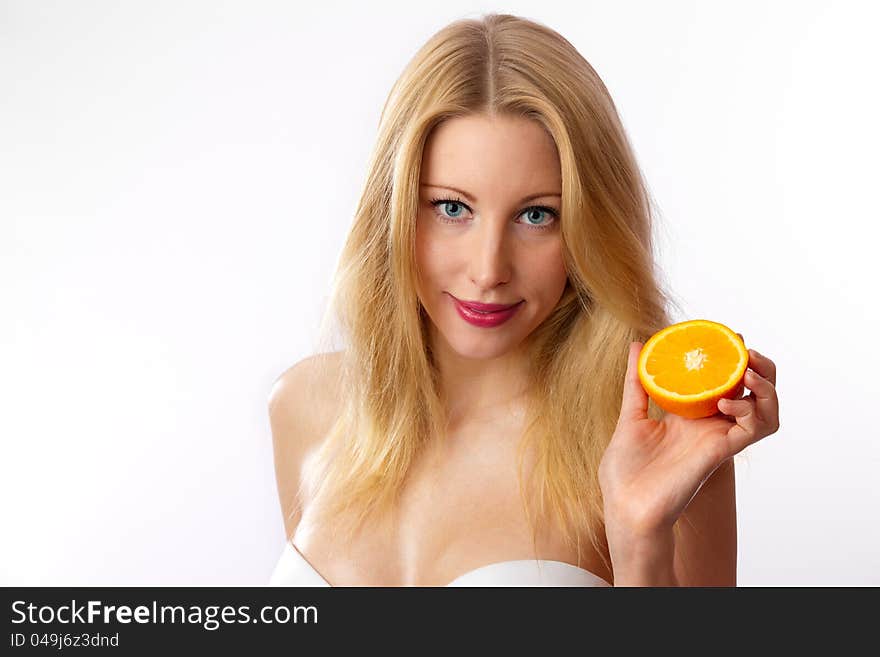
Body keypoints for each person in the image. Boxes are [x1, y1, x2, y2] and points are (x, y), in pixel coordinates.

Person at [267, 13, 780, 587]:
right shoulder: (305, 407)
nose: (488, 270)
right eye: (451, 207)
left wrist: (640, 539)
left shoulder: (656, 442)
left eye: (537, 215)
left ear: (590, 227)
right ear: (393, 210)